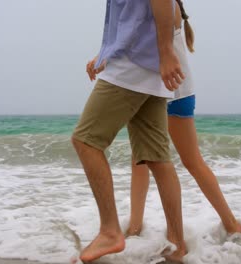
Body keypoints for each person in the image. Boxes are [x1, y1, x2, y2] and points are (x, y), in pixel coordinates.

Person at [72, 0, 187, 262]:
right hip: (147, 63)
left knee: (86, 140)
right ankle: (177, 245)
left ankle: (110, 232)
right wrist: (105, 55)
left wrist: (167, 51)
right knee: (157, 158)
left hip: (135, 62)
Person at [126, 0, 241, 238]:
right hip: (155, 93)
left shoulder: (167, 6)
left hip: (172, 95)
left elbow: (147, 45)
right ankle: (134, 228)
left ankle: (232, 225)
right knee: (140, 162)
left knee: (191, 162)